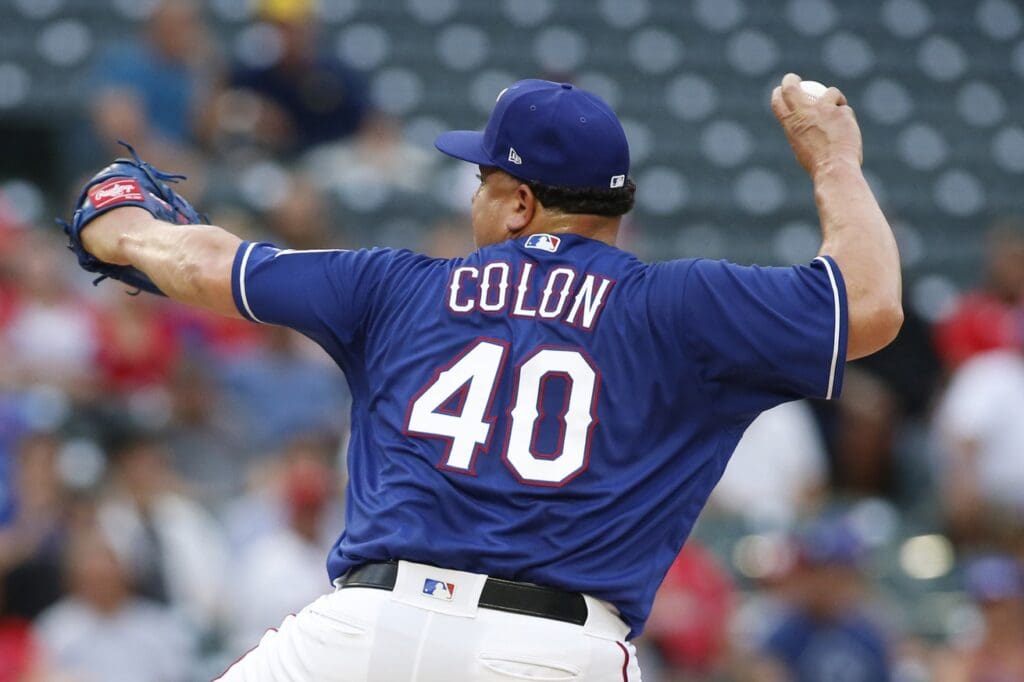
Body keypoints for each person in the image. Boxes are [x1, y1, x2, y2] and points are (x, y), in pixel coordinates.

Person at [69, 74, 902, 680]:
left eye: (484, 179)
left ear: (519, 205)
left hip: (361, 632)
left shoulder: (399, 285)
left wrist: (120, 221)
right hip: (550, 650)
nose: (475, 197)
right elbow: (869, 303)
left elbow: (206, 262)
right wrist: (833, 158)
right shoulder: (682, 307)